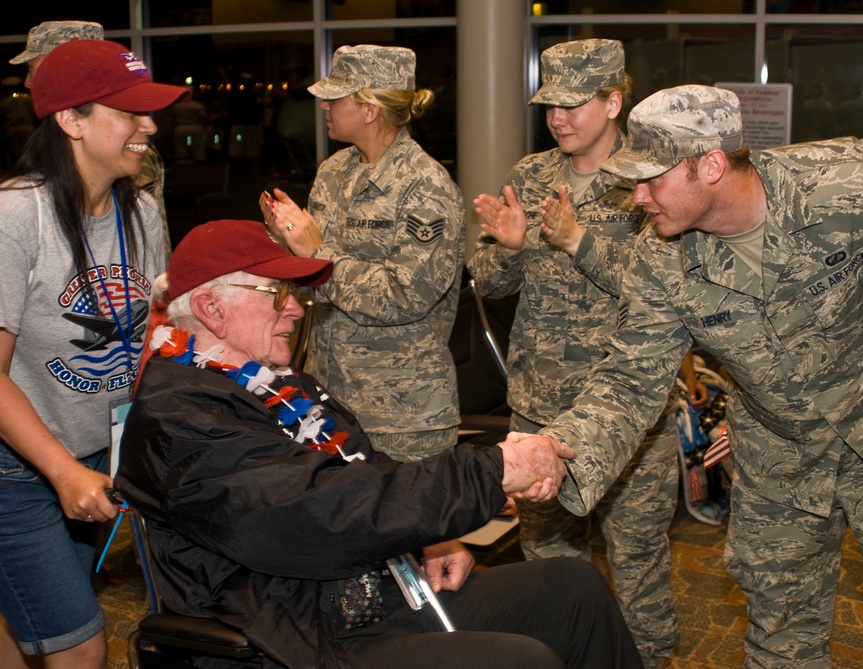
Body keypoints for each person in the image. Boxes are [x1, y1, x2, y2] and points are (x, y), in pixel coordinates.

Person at [527, 85, 863, 667]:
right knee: (778, 633)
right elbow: (629, 377)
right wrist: (558, 450)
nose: (636, 197)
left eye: (651, 178)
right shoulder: (659, 258)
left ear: (711, 164)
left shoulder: (856, 181)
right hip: (780, 454)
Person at [114, 218, 644, 669]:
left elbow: (357, 470)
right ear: (211, 308)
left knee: (571, 588)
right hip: (296, 637)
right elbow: (319, 509)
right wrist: (490, 470)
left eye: (295, 295)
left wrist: (430, 535)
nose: (297, 309)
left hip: (366, 595)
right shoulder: (179, 418)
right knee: (521, 662)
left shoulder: (274, 383)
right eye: (276, 294)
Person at [467, 39, 706, 668]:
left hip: (629, 413)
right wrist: (511, 249)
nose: (558, 118)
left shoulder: (649, 181)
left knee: (638, 562)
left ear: (613, 100)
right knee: (546, 567)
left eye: (574, 104)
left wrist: (579, 243)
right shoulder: (531, 175)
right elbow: (488, 285)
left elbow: (667, 290)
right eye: (550, 105)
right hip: (539, 409)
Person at [0, 39, 189, 669]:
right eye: (129, 111)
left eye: (150, 111)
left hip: (97, 459)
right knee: (80, 644)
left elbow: (156, 337)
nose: (150, 126)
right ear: (70, 121)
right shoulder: (15, 217)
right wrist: (61, 471)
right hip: (19, 471)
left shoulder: (143, 211)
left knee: (30, 628)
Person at [259, 44, 465, 463]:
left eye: (336, 98)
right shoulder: (334, 171)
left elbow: (405, 296)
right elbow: (314, 277)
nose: (324, 106)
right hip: (329, 398)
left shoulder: (425, 186)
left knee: (413, 527)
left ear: (369, 109)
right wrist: (285, 239)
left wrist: (318, 252)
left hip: (402, 412)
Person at [10, 20, 173, 257]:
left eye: (33, 68)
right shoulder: (18, 211)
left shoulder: (127, 156)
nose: (27, 81)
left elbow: (145, 247)